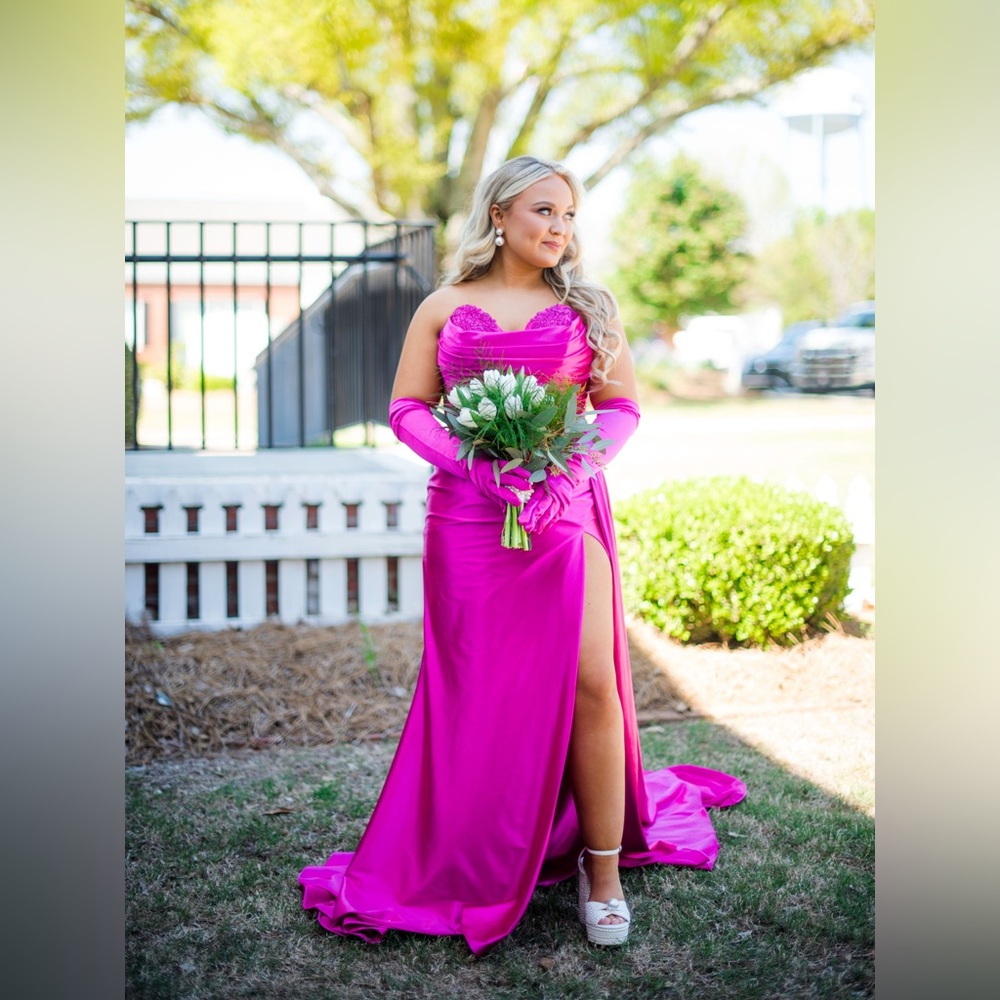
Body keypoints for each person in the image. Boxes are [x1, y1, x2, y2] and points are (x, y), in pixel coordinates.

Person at [299, 155, 745, 954]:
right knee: (477, 693)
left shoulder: (590, 308)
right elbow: (407, 406)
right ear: (499, 214)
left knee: (594, 685)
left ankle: (600, 872)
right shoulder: (444, 304)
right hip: (468, 522)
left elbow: (619, 408)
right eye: (544, 211)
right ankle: (476, 858)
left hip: (564, 511)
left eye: (569, 216)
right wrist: (476, 464)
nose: (560, 228)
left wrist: (566, 469)